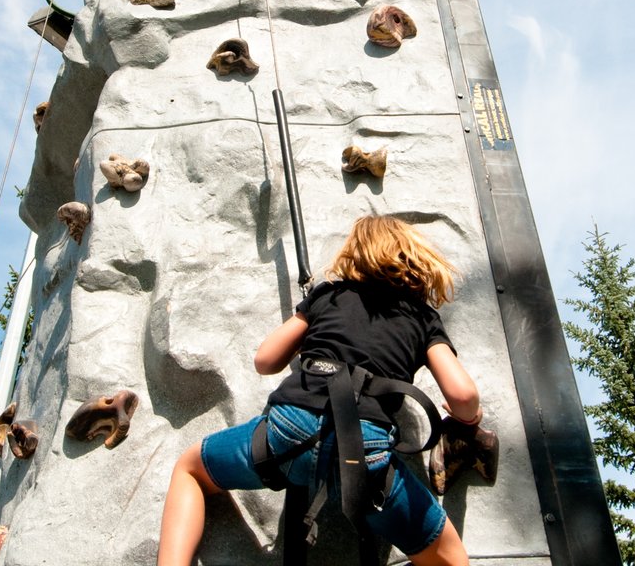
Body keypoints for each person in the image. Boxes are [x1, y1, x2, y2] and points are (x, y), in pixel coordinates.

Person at [157, 215, 481, 566]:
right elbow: (463, 397)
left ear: (355, 254)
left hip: (286, 433)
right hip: (364, 454)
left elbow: (265, 361)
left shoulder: (329, 294)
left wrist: (314, 330)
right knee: (450, 559)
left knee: (190, 469)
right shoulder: (422, 317)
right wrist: (471, 417)